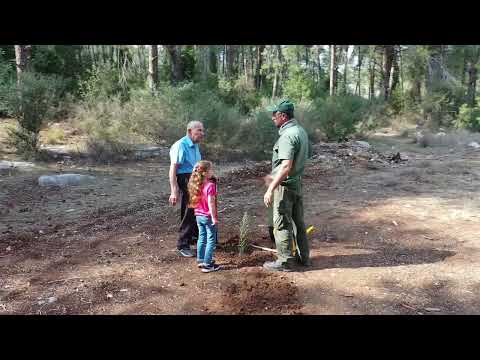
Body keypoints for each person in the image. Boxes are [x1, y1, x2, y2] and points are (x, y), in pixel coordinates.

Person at [262, 100, 311, 272]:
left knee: (282, 223)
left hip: (286, 187)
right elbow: (302, 159)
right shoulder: (301, 131)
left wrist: (270, 188)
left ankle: (284, 262)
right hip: (297, 184)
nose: (272, 118)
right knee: (299, 222)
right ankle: (304, 258)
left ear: (283, 116)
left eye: (274, 115)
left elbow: (285, 166)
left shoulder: (288, 135)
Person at [169, 121, 204, 257]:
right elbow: (173, 170)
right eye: (199, 130)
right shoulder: (180, 145)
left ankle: (193, 238)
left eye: (202, 130)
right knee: (189, 211)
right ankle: (183, 244)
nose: (202, 133)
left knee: (198, 209)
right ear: (190, 131)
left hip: (195, 177)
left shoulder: (195, 145)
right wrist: (174, 190)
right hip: (186, 178)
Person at [188, 160, 221, 273]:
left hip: (198, 215)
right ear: (205, 172)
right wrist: (214, 217)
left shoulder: (197, 184)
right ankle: (207, 265)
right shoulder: (210, 186)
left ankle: (201, 259)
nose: (213, 171)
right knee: (211, 239)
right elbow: (211, 203)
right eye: (211, 169)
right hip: (207, 216)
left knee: (202, 237)